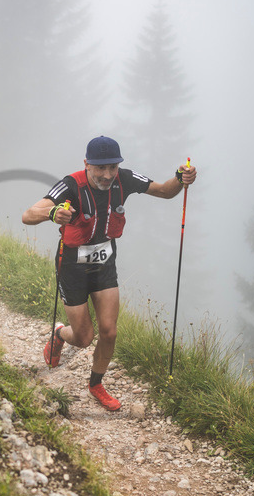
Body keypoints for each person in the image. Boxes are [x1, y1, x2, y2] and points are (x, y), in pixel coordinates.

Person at [21, 135, 197, 411]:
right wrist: (53, 213)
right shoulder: (70, 184)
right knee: (82, 337)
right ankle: (59, 335)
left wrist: (180, 177)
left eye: (112, 167)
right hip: (72, 267)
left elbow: (165, 191)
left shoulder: (124, 179)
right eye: (100, 168)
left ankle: (96, 384)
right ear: (87, 165)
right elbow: (28, 214)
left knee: (109, 331)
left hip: (104, 265)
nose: (107, 175)